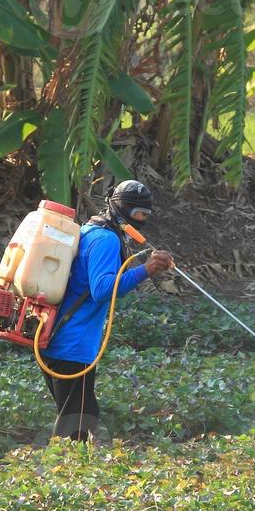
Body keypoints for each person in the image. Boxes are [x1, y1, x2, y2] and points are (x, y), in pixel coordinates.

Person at [42, 180, 174, 442]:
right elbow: (102, 289)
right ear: (121, 209)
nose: (142, 220)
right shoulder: (106, 240)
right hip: (72, 345)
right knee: (77, 425)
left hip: (60, 342)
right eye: (138, 214)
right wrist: (146, 270)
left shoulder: (91, 230)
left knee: (82, 416)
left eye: (146, 215)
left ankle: (66, 474)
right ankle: (59, 476)